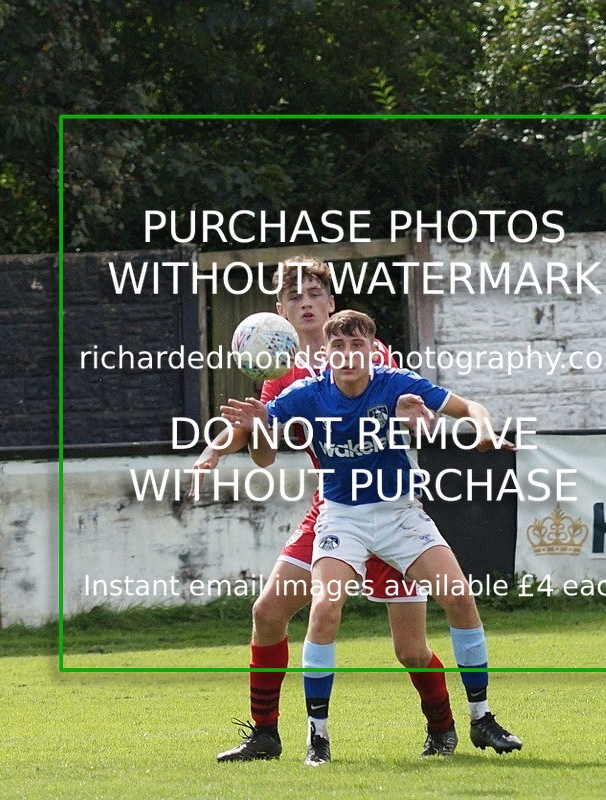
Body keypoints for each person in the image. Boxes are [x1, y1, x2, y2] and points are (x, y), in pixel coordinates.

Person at [223, 309, 522, 766]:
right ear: (325, 354)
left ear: (372, 350)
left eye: (356, 346)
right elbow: (262, 452)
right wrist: (259, 425)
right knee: (325, 608)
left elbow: (468, 407)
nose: (347, 356)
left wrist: (482, 428)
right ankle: (317, 739)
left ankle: (481, 719)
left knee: (458, 599)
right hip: (342, 517)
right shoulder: (305, 393)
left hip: (399, 514)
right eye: (338, 348)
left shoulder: (395, 382)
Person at [193, 258, 458, 762]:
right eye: (294, 297)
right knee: (268, 612)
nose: (306, 302)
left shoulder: (363, 349)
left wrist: (419, 416)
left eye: (314, 293)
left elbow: (408, 406)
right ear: (280, 313)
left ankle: (443, 727)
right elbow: (265, 450)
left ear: (332, 304)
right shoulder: (281, 375)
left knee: (411, 650)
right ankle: (265, 735)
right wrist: (221, 445)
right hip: (333, 511)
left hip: (389, 506)